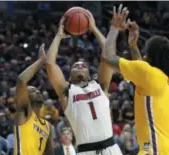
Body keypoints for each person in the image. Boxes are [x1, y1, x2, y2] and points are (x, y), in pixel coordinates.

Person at [102, 4, 169, 155]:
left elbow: (107, 57)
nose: (144, 56)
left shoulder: (149, 75)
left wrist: (114, 28)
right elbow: (141, 72)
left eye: (147, 54)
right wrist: (133, 45)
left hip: (154, 150)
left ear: (151, 59)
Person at [46, 7, 126, 155]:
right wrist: (58, 36)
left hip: (111, 148)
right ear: (69, 76)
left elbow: (108, 54)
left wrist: (94, 28)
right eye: (75, 66)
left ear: (90, 73)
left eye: (83, 66)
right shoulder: (67, 92)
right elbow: (50, 65)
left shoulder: (100, 85)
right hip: (86, 151)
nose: (79, 66)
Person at [13, 44, 54, 155]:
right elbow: (21, 80)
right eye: (32, 91)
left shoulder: (47, 126)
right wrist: (41, 61)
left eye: (38, 91)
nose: (37, 92)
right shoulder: (24, 113)